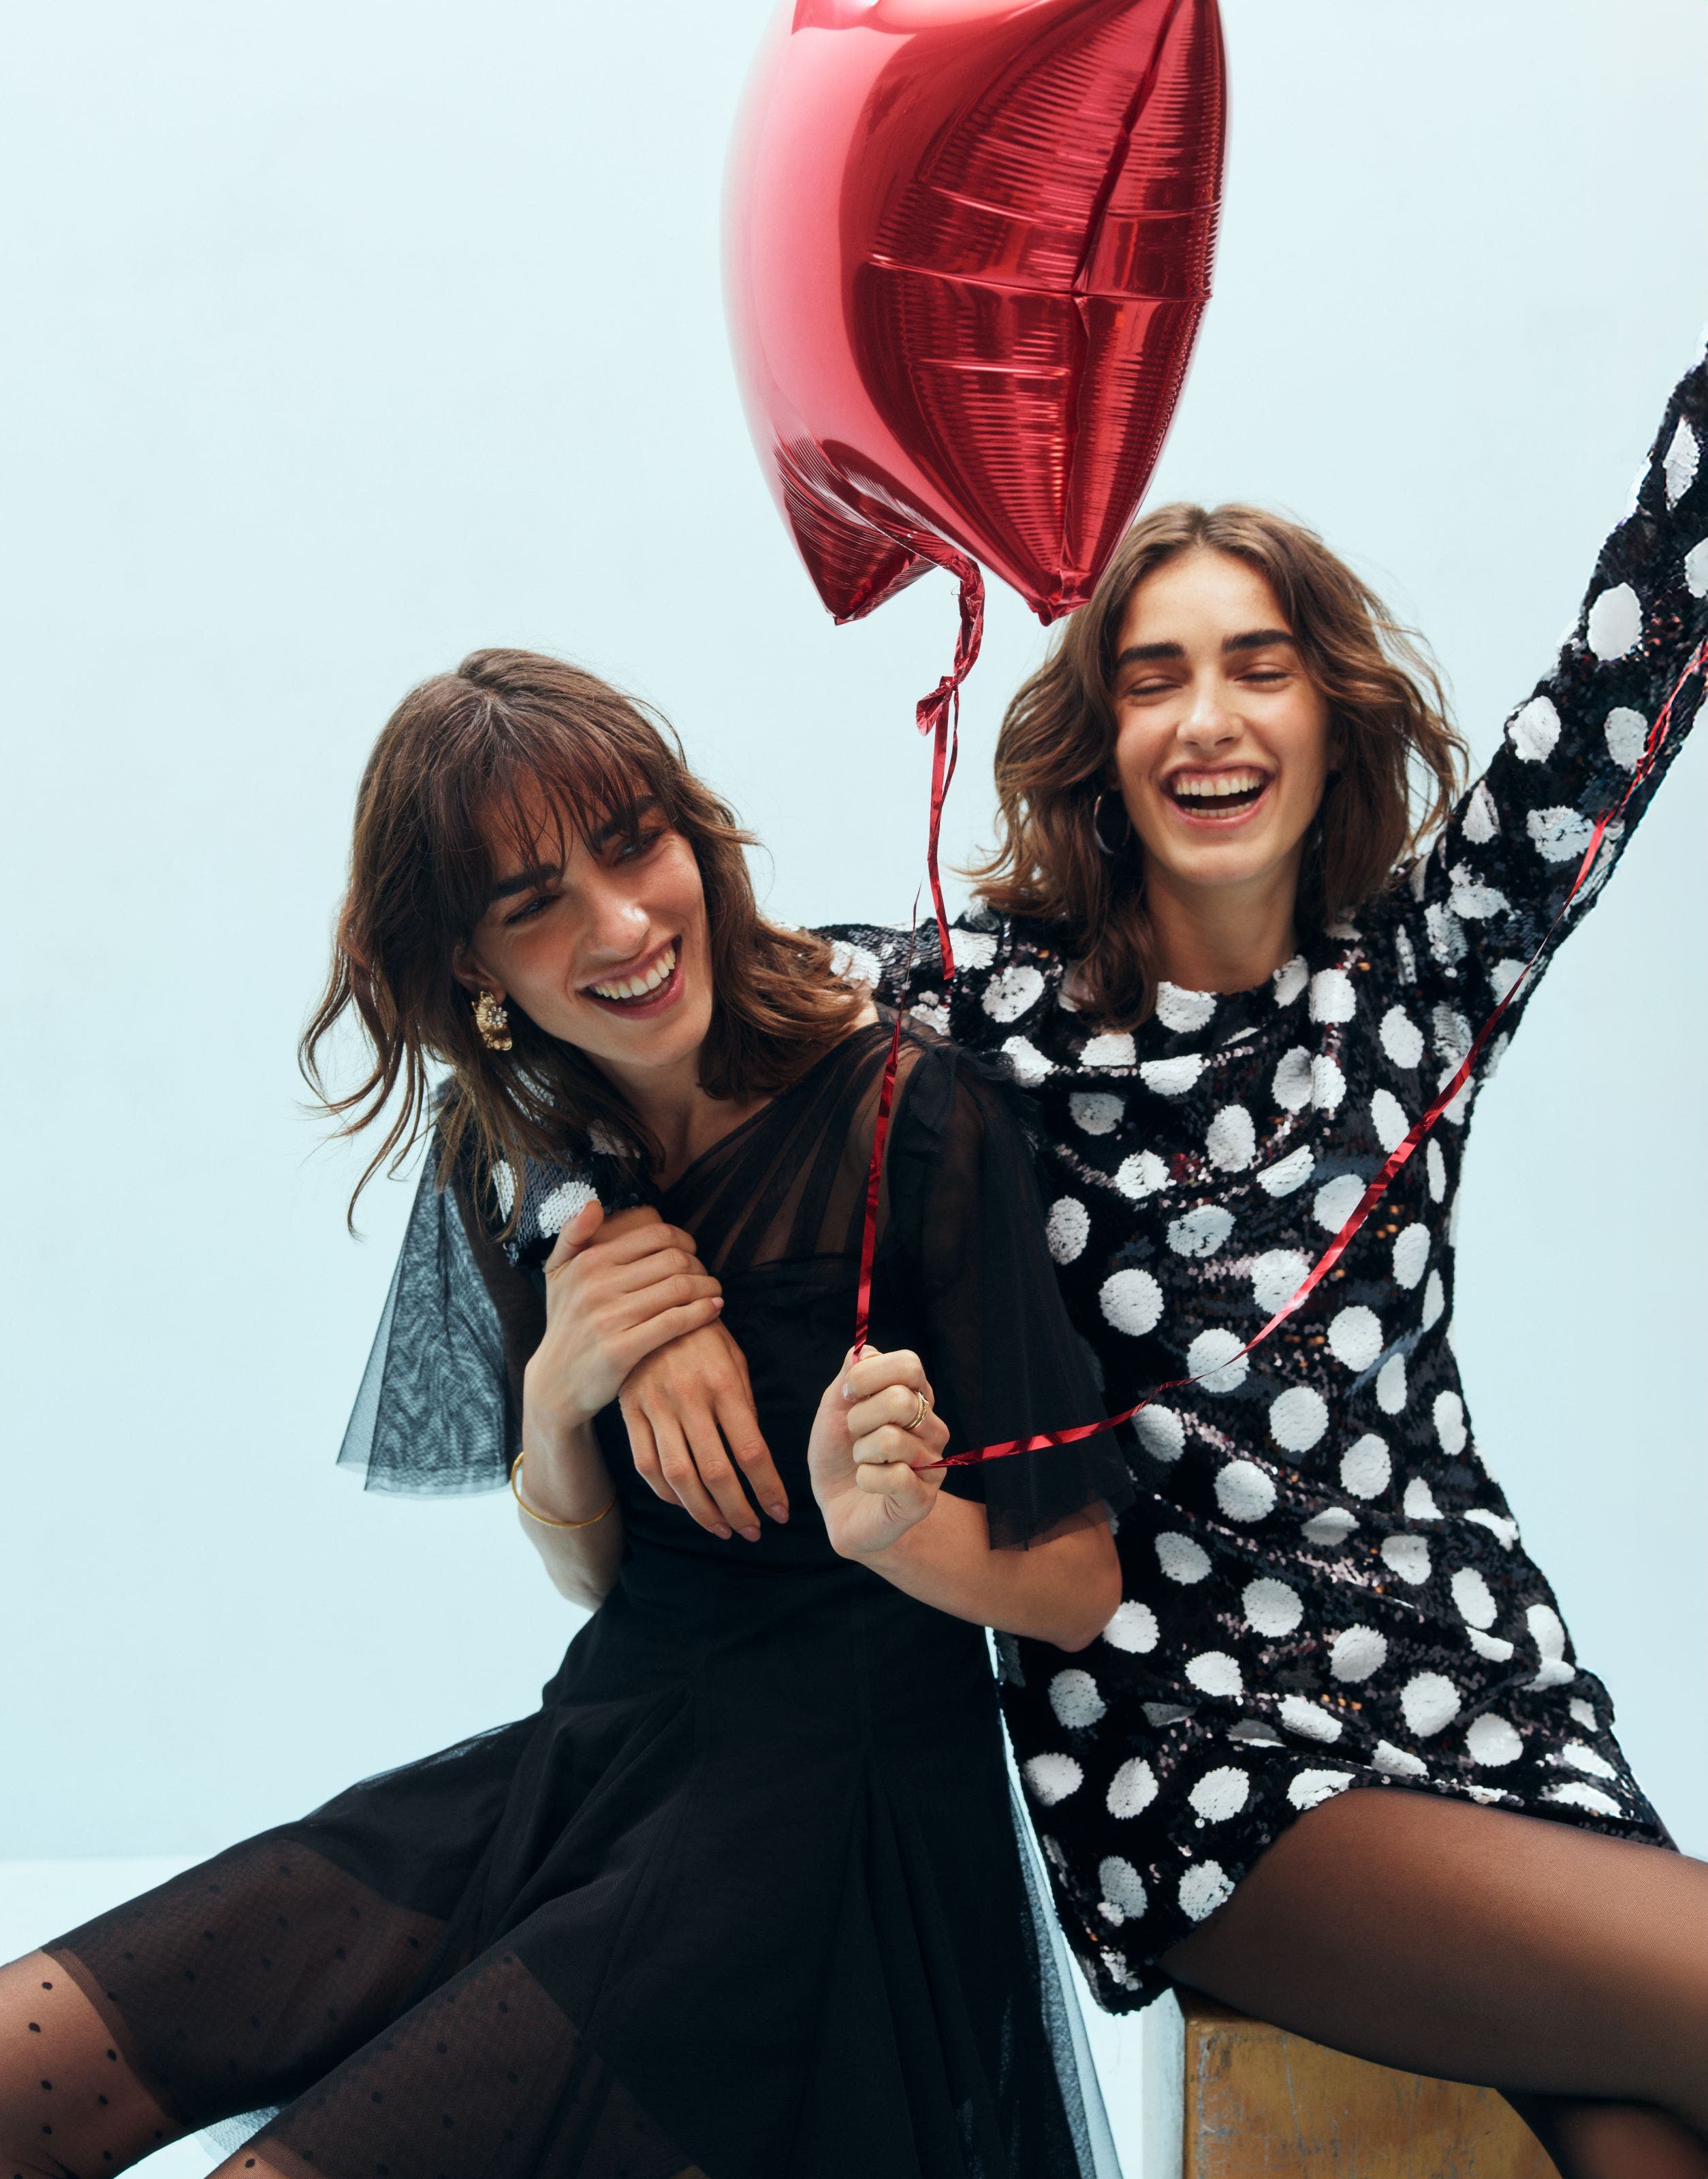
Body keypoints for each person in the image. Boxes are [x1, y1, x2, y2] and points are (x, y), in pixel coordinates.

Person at [582, 356, 1708, 2174]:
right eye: (1152, 673)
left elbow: (1637, 648)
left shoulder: (1425, 977)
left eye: (1256, 664)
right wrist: (612, 1272)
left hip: (1494, 1695)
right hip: (1196, 1757)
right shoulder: (967, 1008)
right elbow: (621, 1009)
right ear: (1098, 739)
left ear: (1328, 714)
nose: (1207, 715)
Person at [0, 652, 1137, 2179]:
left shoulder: (915, 1123)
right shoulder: (525, 1143)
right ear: (473, 960)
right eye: (532, 900)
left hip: (821, 1829)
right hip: (596, 1752)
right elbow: (607, 1576)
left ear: (698, 841)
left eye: (634, 843)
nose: (619, 925)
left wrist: (894, 1531)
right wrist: (560, 1393)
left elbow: (1074, 1588)